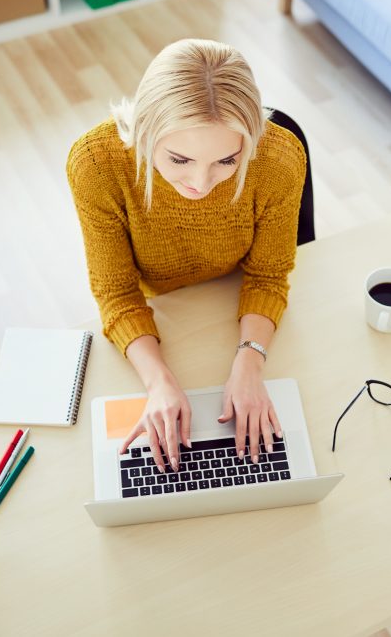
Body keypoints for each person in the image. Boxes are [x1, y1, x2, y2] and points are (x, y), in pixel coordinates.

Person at [66, 38, 309, 477]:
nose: (201, 181)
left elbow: (269, 275)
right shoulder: (97, 164)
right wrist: (158, 382)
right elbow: (117, 292)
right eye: (179, 158)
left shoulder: (277, 159)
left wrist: (250, 362)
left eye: (227, 160)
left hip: (231, 301)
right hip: (161, 310)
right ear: (144, 130)